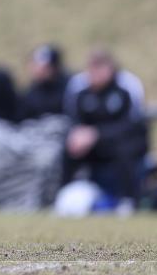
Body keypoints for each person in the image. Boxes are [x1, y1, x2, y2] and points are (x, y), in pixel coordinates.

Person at [62, 49, 148, 213]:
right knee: (68, 148)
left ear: (110, 68)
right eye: (92, 68)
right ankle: (63, 195)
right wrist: (77, 135)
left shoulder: (126, 86)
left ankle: (128, 200)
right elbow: (74, 119)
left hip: (122, 141)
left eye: (100, 68)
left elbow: (132, 125)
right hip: (92, 146)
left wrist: (97, 134)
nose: (96, 73)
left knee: (125, 150)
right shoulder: (80, 89)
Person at [19, 44, 70, 120]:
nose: (40, 71)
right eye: (36, 65)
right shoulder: (30, 93)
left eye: (45, 67)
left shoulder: (68, 90)